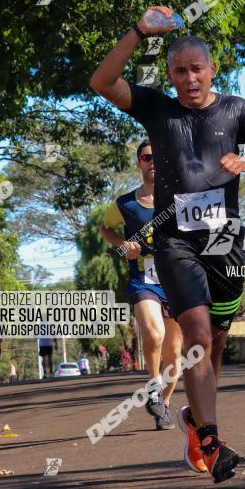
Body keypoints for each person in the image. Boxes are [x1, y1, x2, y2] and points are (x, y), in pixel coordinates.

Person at [90, 10, 245, 483]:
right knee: (196, 336)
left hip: (225, 242)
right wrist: (137, 31)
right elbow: (102, 81)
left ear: (211, 68)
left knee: (215, 342)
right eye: (180, 70)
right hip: (174, 239)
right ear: (170, 75)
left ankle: (196, 424)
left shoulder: (238, 109)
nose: (190, 78)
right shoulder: (158, 108)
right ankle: (214, 446)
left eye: (197, 68)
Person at [100, 140, 183, 431]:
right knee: (155, 333)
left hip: (175, 278)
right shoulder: (126, 204)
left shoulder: (177, 199)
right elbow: (104, 228)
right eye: (147, 157)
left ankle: (165, 403)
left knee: (175, 352)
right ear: (140, 163)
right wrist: (124, 245)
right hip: (143, 278)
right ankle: (153, 382)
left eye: (158, 156)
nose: (153, 161)